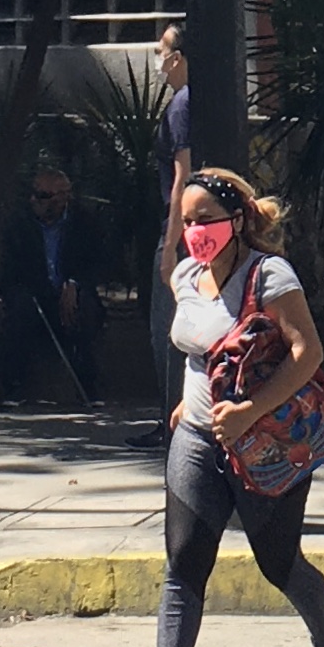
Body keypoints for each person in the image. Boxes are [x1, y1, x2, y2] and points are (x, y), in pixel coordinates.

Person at [116, 165, 324, 647]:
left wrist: (250, 411)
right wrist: (184, 404)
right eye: (188, 222)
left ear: (237, 222)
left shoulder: (268, 275)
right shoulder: (183, 275)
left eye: (206, 221)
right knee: (183, 560)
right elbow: (197, 350)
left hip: (266, 443)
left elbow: (307, 353)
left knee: (278, 563)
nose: (195, 232)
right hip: (197, 439)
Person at [0, 162, 108, 403]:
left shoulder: (83, 222)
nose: (35, 200)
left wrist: (74, 284)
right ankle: (13, 386)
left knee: (85, 308)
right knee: (20, 309)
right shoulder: (19, 223)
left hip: (68, 292)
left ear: (63, 197)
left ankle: (88, 385)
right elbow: (8, 270)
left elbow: (97, 264)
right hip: (34, 293)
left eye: (44, 195)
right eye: (34, 193)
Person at [145, 24, 196, 440]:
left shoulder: (181, 105)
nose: (157, 58)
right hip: (196, 229)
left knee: (167, 326)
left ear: (176, 58)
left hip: (179, 228)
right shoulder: (201, 100)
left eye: (161, 50)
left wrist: (171, 244)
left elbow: (183, 175)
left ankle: (172, 423)